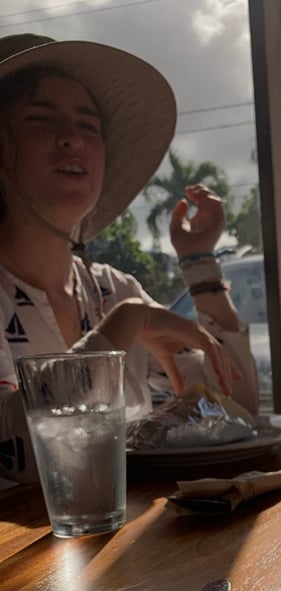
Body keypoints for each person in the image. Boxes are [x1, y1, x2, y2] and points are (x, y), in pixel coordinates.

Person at [0, 33, 259, 485]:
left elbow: (236, 406)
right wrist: (125, 327)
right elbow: (17, 453)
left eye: (89, 126)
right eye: (41, 120)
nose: (72, 140)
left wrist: (199, 264)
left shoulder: (112, 292)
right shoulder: (124, 311)